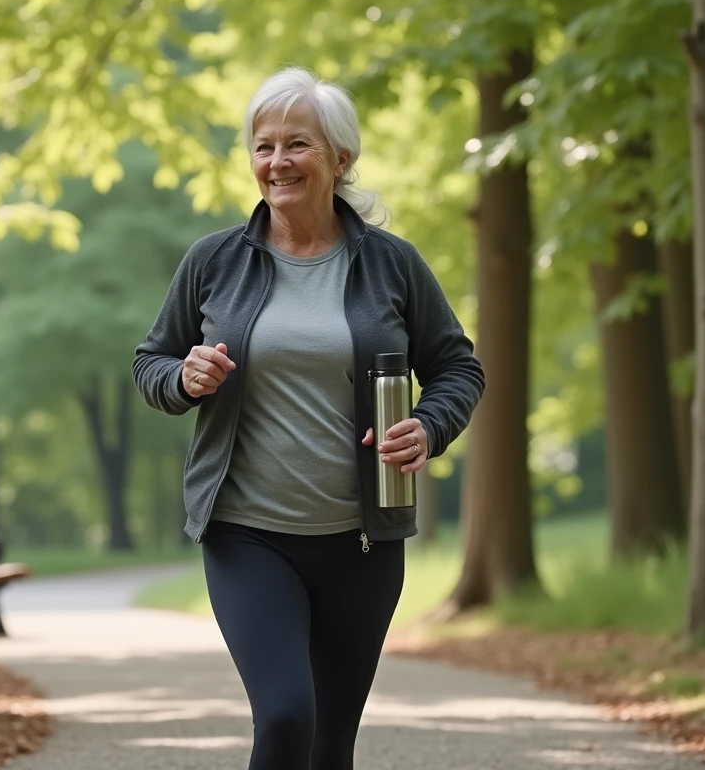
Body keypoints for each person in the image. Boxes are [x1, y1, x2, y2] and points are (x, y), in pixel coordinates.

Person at [133, 66, 485, 770]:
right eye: (263, 147)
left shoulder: (391, 264)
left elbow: (457, 367)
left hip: (363, 538)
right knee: (287, 714)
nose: (277, 162)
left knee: (330, 746)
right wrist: (183, 377)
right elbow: (152, 363)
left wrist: (429, 425)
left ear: (340, 158)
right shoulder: (215, 261)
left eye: (297, 144)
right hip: (247, 532)